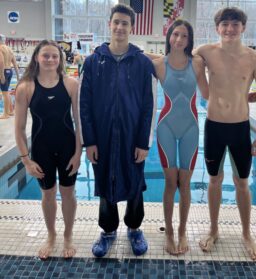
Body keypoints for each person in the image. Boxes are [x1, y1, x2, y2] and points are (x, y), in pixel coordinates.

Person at [193, 7, 256, 260]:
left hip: (240, 128)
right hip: (214, 126)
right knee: (214, 180)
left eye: (235, 24)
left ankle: (247, 233)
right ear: (217, 28)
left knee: (242, 183)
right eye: (224, 24)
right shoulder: (206, 52)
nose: (229, 29)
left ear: (243, 28)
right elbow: (176, 58)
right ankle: (213, 230)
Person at [79, 3, 155, 258]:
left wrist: (143, 142)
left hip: (133, 135)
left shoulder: (143, 63)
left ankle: (134, 229)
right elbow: (85, 104)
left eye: (125, 23)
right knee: (104, 180)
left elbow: (148, 105)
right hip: (102, 136)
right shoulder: (92, 62)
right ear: (109, 24)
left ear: (132, 28)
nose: (120, 27)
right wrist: (90, 141)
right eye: (117, 22)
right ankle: (108, 231)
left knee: (134, 183)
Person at [145, 19, 208, 255]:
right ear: (168, 36)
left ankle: (182, 230)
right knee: (171, 183)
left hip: (191, 127)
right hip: (166, 128)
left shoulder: (199, 63)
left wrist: (243, 94)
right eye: (175, 34)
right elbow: (136, 55)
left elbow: (208, 92)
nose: (179, 39)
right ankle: (169, 232)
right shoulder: (158, 64)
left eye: (184, 36)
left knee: (186, 184)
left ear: (189, 40)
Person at [15, 40, 82, 259]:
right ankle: (52, 235)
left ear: (60, 59)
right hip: (41, 150)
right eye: (46, 56)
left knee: (68, 193)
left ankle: (68, 235)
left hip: (67, 147)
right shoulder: (26, 87)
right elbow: (19, 128)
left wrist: (78, 153)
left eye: (55, 56)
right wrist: (26, 160)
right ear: (37, 57)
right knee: (48, 194)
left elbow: (79, 123)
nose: (51, 59)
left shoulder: (71, 84)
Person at [0, 34, 20, 119]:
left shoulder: (0, 48)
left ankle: (6, 114)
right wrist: (18, 75)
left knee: (5, 93)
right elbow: (15, 63)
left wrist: (1, 75)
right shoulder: (9, 49)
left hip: (3, 71)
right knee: (6, 92)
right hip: (10, 71)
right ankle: (11, 111)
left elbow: (1, 62)